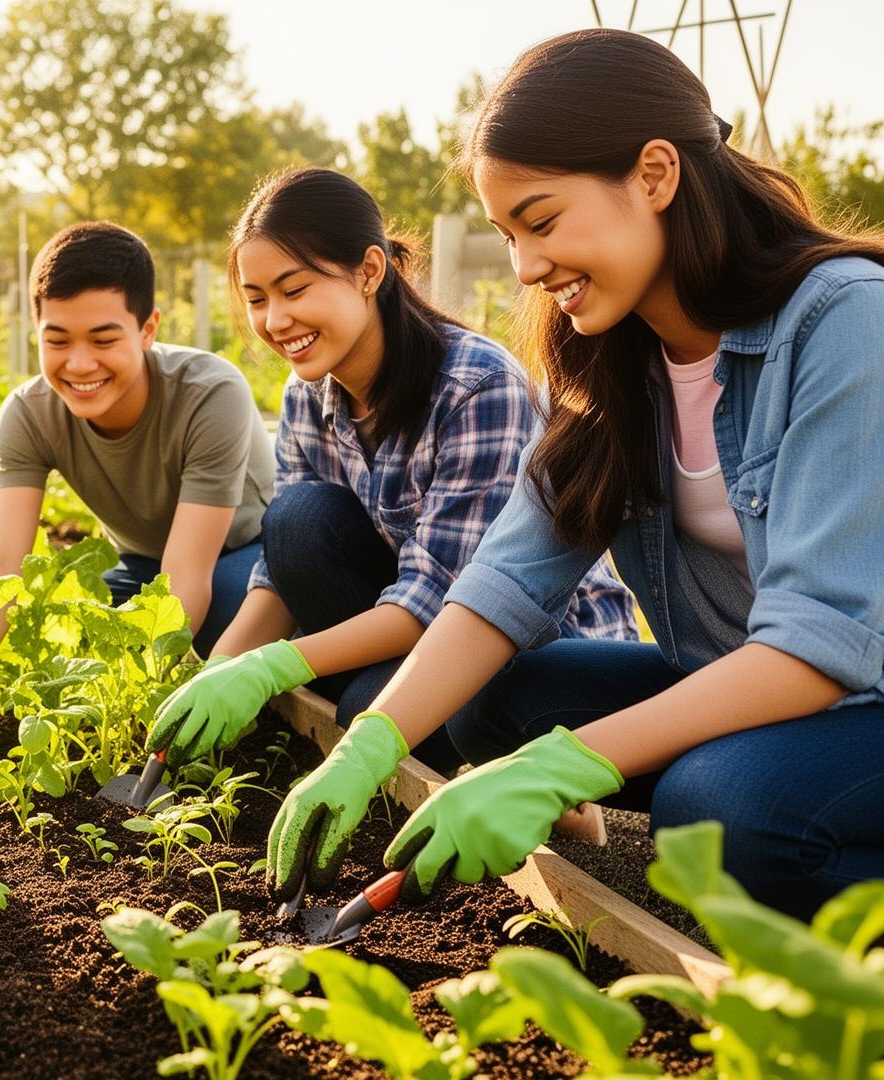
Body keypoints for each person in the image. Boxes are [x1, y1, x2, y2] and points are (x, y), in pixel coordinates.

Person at [269, 28, 884, 919]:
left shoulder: (842, 324)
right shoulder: (613, 359)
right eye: (507, 233)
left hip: (853, 693)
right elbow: (507, 577)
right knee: (495, 700)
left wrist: (558, 769)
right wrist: (369, 743)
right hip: (757, 691)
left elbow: (819, 642)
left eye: (543, 221)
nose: (526, 266)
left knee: (718, 813)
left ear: (656, 175)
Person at [145, 168, 634, 779]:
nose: (275, 320)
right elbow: (284, 571)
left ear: (370, 272)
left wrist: (274, 665)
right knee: (296, 522)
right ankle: (384, 711)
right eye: (256, 299)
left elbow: (436, 600)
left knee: (359, 709)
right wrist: (218, 668)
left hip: (527, 646)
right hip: (411, 622)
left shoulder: (475, 387)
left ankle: (520, 771)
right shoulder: (310, 395)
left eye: (294, 290)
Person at [0, 222, 274, 716]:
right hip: (142, 563)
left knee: (215, 621)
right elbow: (3, 556)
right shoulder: (28, 414)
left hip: (245, 553)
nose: (78, 364)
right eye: (57, 341)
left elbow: (187, 571)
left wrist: (143, 697)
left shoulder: (210, 393)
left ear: (147, 330)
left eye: (102, 340)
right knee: (69, 635)